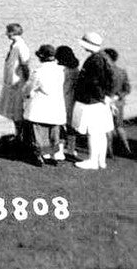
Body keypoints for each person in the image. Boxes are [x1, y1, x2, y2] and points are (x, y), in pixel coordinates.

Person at [71, 32, 115, 170]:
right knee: (100, 132)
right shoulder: (103, 57)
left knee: (93, 132)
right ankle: (100, 160)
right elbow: (109, 80)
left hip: (92, 101)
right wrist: (106, 97)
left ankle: (92, 161)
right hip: (100, 101)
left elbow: (94, 82)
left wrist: (100, 96)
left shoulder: (94, 60)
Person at [23, 44, 65, 166]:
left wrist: (27, 94)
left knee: (39, 131)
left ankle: (40, 155)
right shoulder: (61, 70)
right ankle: (53, 155)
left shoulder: (39, 71)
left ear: (41, 57)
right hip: (56, 105)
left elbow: (30, 87)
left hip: (40, 107)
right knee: (54, 131)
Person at [0, 23, 31, 144]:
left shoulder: (21, 46)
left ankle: (20, 136)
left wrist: (27, 82)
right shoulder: (15, 45)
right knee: (12, 109)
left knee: (17, 110)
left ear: (12, 33)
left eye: (8, 31)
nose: (6, 34)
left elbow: (25, 65)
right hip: (12, 82)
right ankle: (18, 135)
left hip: (18, 82)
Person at [103, 48, 132, 157]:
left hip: (106, 103)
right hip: (119, 103)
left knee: (107, 128)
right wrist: (118, 96)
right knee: (119, 126)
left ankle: (109, 151)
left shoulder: (104, 73)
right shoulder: (122, 71)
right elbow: (127, 89)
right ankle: (127, 148)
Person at [54, 45, 80, 161]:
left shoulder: (61, 70)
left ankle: (60, 151)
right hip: (73, 100)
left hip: (62, 100)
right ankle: (71, 149)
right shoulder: (76, 69)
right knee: (71, 127)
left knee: (60, 126)